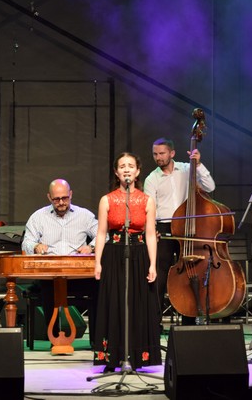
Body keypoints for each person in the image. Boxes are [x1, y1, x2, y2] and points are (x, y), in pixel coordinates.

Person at [94, 152, 161, 372]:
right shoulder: (107, 199)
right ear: (116, 172)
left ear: (138, 171)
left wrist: (152, 264)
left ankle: (138, 356)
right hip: (114, 254)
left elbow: (150, 234)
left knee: (137, 303)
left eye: (130, 166)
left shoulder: (147, 200)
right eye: (122, 166)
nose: (126, 169)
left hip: (139, 254)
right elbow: (101, 233)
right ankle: (113, 356)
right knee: (115, 302)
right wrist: (97, 262)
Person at [143, 138, 215, 321]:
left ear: (172, 153)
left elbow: (210, 186)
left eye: (162, 153)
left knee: (189, 273)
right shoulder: (151, 179)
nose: (158, 157)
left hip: (188, 227)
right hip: (164, 227)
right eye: (155, 154)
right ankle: (154, 322)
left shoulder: (187, 169)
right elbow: (150, 209)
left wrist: (198, 165)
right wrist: (152, 229)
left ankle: (189, 319)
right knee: (159, 274)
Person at [22, 179, 99, 345]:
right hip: (50, 275)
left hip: (78, 275)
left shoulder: (84, 215)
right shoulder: (38, 217)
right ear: (49, 197)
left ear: (71, 194)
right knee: (48, 286)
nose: (61, 202)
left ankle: (97, 339)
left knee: (99, 285)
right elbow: (26, 242)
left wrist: (91, 247)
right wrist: (35, 246)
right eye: (56, 199)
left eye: (65, 198)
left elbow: (103, 235)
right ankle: (55, 338)